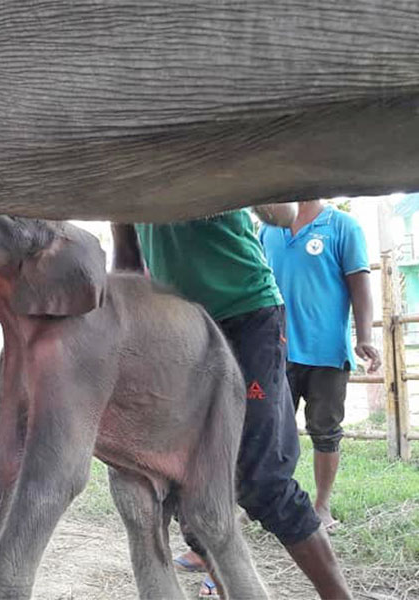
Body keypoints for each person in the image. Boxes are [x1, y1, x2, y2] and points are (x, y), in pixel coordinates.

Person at [133, 207, 351, 599]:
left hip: (247, 313)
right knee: (188, 478)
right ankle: (231, 584)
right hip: (180, 328)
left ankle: (338, 595)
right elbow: (128, 260)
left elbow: (283, 213)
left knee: (262, 478)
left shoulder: (213, 147)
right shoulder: (124, 171)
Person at [260, 200, 380, 531]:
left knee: (325, 431)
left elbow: (359, 284)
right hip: (276, 350)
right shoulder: (267, 226)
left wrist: (365, 336)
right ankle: (267, 501)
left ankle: (322, 505)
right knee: (269, 431)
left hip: (326, 350)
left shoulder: (343, 226)